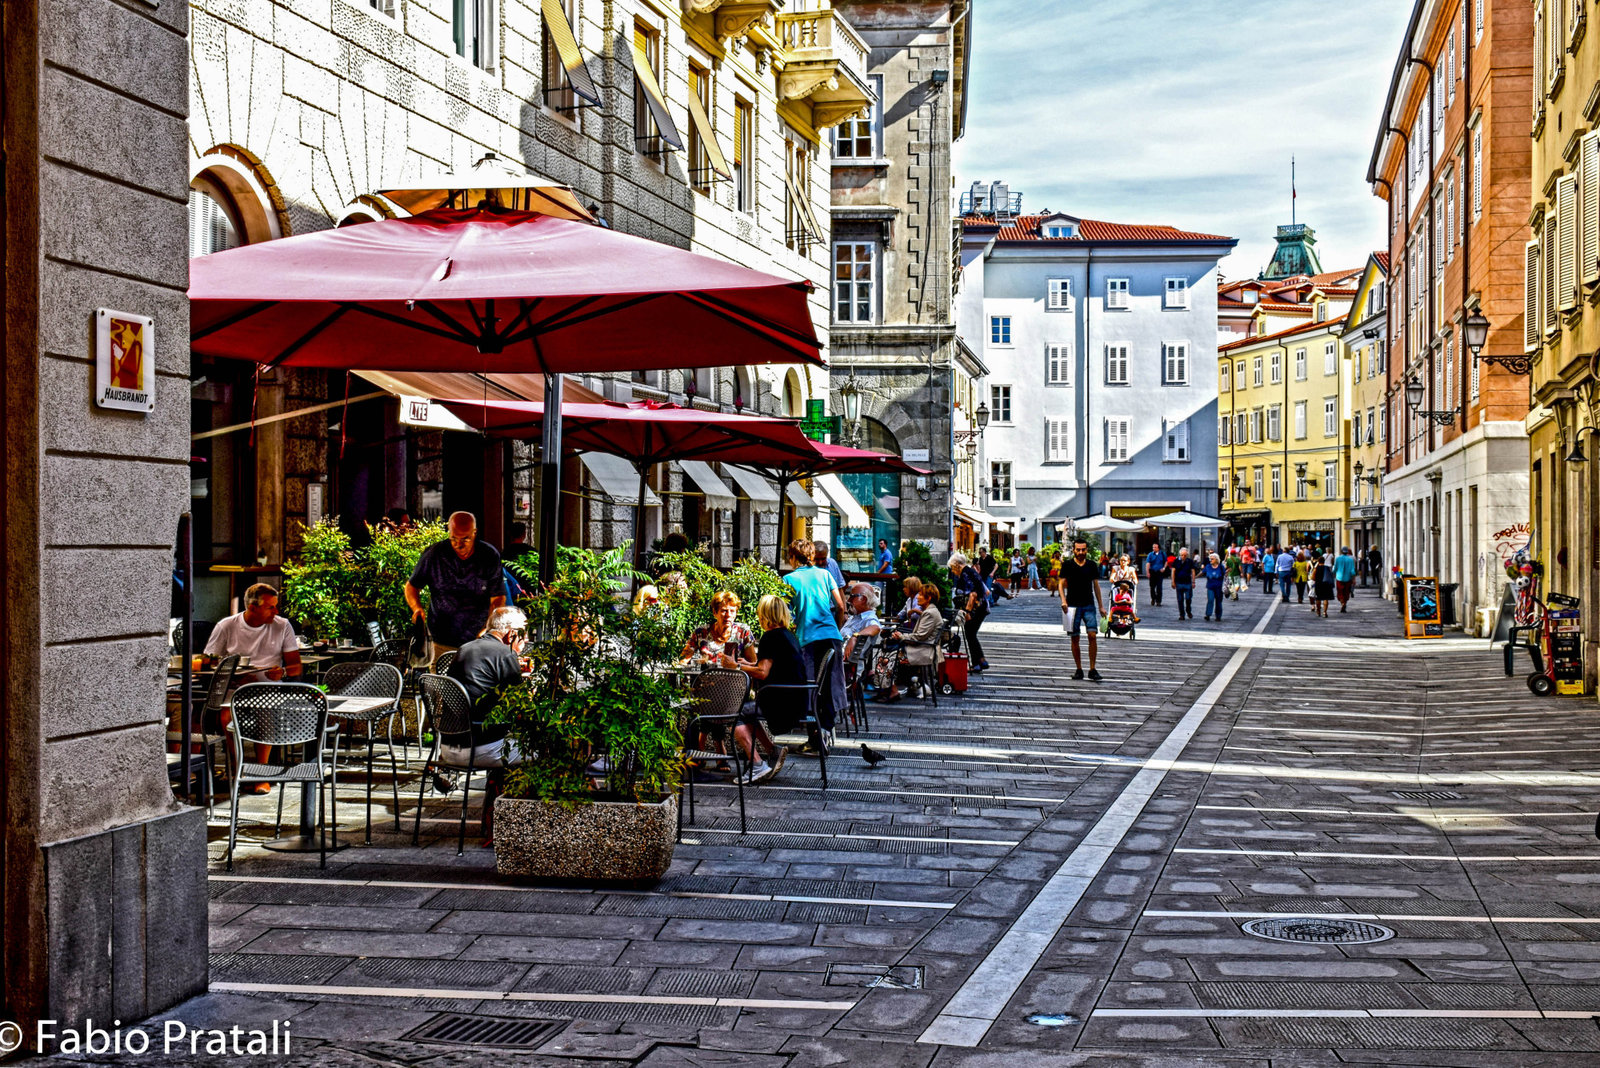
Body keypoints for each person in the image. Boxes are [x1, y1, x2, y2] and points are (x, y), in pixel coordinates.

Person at [204, 582, 304, 792]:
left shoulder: (282, 625)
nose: (276, 611)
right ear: (253, 608)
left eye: (276, 606)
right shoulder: (227, 625)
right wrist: (235, 675)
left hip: (268, 688)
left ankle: (261, 772)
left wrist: (283, 672)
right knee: (225, 717)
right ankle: (237, 767)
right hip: (234, 687)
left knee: (266, 714)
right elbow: (209, 661)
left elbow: (296, 667)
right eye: (271, 607)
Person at [443, 606, 529, 837]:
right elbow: (520, 708)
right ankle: (513, 828)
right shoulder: (505, 654)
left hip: (449, 745)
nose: (526, 639)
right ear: (511, 634)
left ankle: (494, 824)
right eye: (524, 633)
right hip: (481, 747)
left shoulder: (464, 648)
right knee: (545, 748)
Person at [725, 595, 810, 784]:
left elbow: (763, 672)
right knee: (748, 712)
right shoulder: (788, 635)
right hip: (796, 700)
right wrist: (749, 664)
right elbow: (772, 665)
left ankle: (757, 764)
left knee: (733, 713)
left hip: (781, 702)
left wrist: (736, 667)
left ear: (765, 615)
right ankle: (772, 751)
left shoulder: (770, 637)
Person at [406, 511, 505, 663]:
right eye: (454, 539)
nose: (458, 545)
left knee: (475, 682)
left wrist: (489, 626)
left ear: (474, 533)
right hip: (441, 636)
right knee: (441, 682)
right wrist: (417, 608)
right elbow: (412, 586)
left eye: (465, 539)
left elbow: (498, 597)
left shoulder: (488, 555)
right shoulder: (434, 554)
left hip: (477, 638)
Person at [783, 539, 845, 742]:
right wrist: (836, 627)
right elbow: (840, 605)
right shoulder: (825, 574)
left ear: (792, 557)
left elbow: (784, 614)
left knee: (810, 685)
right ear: (810, 556)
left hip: (808, 638)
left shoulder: (789, 579)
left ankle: (815, 736)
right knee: (829, 683)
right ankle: (826, 727)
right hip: (832, 636)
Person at [882, 583, 943, 701]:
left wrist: (901, 636)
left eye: (920, 595)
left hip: (923, 650)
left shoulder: (929, 613)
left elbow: (918, 637)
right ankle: (890, 688)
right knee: (887, 652)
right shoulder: (929, 611)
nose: (918, 597)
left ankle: (890, 690)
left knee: (887, 657)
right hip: (922, 647)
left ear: (928, 598)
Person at [1057, 538, 1104, 682]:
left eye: (1083, 549)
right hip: (1072, 606)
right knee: (1075, 637)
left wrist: (1101, 605)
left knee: (1092, 635)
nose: (1081, 552)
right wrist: (1063, 601)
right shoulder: (1068, 565)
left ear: (1086, 550)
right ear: (1074, 550)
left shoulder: (1091, 565)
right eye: (1078, 550)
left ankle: (1092, 668)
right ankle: (1079, 669)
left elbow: (1096, 586)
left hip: (1089, 604)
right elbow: (1060, 584)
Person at [682, 590, 756, 663]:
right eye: (724, 611)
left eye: (732, 611)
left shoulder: (743, 632)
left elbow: (753, 663)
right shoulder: (701, 632)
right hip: (707, 674)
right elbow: (684, 660)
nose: (728, 615)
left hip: (734, 674)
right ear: (715, 612)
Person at [949, 551, 991, 672]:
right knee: (971, 634)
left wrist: (967, 612)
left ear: (957, 564)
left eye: (952, 567)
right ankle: (980, 661)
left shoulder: (965, 574)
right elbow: (986, 591)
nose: (952, 571)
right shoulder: (972, 572)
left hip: (974, 610)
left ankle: (978, 663)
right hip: (982, 608)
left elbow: (972, 595)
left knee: (970, 634)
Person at [840, 582, 883, 662]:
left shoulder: (869, 618)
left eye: (852, 597)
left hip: (847, 667)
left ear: (863, 599)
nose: (848, 600)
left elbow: (876, 627)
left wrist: (855, 636)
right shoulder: (855, 617)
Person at [1170, 547, 1197, 620]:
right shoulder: (1176, 561)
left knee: (1188, 598)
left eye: (1185, 555)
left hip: (1188, 582)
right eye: (1182, 555)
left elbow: (1193, 571)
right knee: (1180, 599)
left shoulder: (1190, 561)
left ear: (1187, 555)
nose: (1183, 557)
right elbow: (1173, 571)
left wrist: (1193, 581)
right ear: (1180, 554)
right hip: (1179, 582)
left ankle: (1188, 610)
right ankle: (1182, 614)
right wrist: (1173, 581)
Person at [1203, 552, 1226, 621]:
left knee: (1218, 601)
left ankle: (1218, 616)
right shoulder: (1208, 566)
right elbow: (1202, 572)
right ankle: (1208, 614)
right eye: (1210, 559)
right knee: (1210, 600)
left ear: (1216, 559)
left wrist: (1227, 572)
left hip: (1219, 587)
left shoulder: (1221, 567)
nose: (1210, 560)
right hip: (1210, 586)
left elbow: (1225, 575)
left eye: (1212, 559)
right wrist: (1195, 578)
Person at [1312, 552, 1336, 618]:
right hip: (1326, 584)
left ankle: (1318, 611)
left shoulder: (1316, 568)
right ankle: (1325, 612)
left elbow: (1313, 577)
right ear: (1324, 561)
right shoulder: (1327, 568)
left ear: (1318, 561)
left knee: (1318, 598)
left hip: (1318, 584)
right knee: (1326, 598)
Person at [1334, 546, 1358, 612]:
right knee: (1346, 592)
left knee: (1340, 591)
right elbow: (1352, 570)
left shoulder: (1338, 558)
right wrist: (1353, 578)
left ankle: (1342, 603)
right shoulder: (1350, 560)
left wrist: (1333, 573)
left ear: (1341, 551)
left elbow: (1335, 568)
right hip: (1348, 578)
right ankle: (1345, 603)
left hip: (1339, 578)